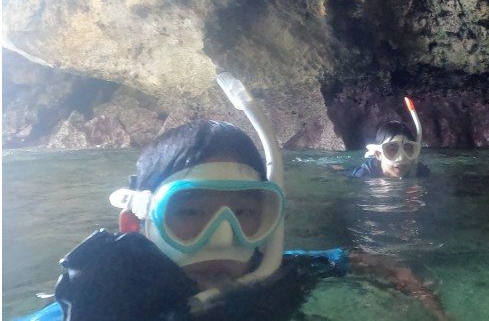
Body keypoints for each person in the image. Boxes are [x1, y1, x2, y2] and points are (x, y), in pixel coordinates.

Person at [22, 76, 445, 321]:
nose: (223, 237)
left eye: (245, 213)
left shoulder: (273, 270)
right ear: (135, 224)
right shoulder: (86, 312)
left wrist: (419, 292)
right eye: (189, 212)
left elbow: (364, 260)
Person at [352, 98, 430, 179]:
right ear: (378, 154)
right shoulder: (363, 175)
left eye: (407, 149)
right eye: (392, 149)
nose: (401, 158)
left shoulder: (421, 172)